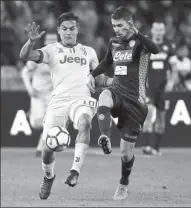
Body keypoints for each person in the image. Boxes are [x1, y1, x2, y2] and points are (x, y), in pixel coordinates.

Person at [20, 12, 108, 200]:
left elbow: (99, 78)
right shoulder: (51, 50)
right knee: (47, 149)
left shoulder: (89, 51)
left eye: (72, 29)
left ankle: (75, 170)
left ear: (78, 29)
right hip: (58, 101)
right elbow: (25, 56)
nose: (68, 32)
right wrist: (31, 41)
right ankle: (49, 176)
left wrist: (115, 82)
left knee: (85, 123)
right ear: (59, 31)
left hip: (81, 99)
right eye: (65, 29)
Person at [87, 6, 159, 200]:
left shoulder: (140, 44)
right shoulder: (113, 42)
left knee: (126, 155)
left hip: (136, 103)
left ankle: (123, 184)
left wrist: (138, 34)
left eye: (119, 25)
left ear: (129, 23)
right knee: (103, 96)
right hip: (117, 91)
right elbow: (105, 63)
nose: (116, 29)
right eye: (114, 26)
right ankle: (104, 136)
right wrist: (92, 75)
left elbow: (156, 49)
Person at [142, 22, 175, 155]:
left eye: (161, 29)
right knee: (148, 115)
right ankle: (148, 146)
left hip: (163, 88)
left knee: (161, 117)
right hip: (149, 87)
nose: (159, 32)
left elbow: (175, 67)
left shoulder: (169, 47)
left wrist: (171, 81)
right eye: (157, 29)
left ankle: (155, 147)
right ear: (152, 30)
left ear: (164, 31)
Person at [21, 60, 52, 157]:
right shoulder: (37, 58)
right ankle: (32, 115)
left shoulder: (60, 60)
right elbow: (24, 72)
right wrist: (29, 88)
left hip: (52, 94)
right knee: (36, 124)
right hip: (37, 94)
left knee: (50, 122)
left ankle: (40, 148)